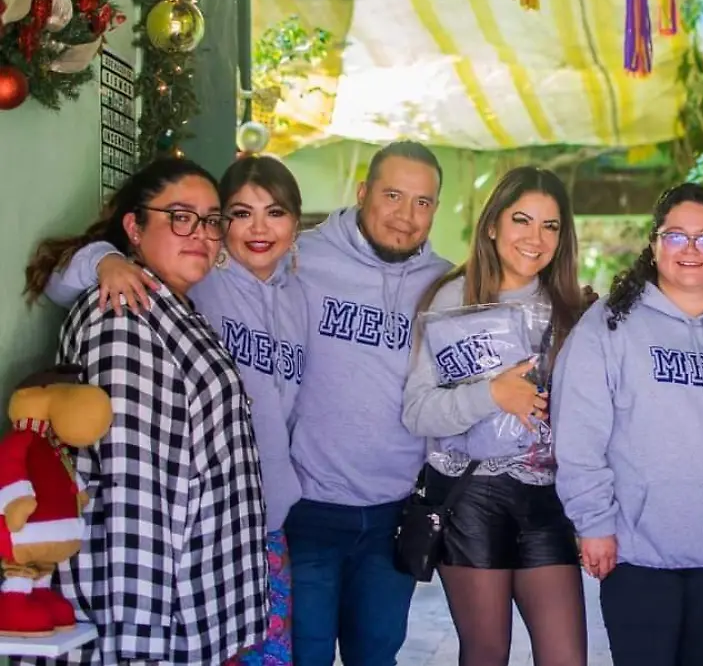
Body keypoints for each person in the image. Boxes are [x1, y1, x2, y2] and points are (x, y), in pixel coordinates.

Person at [39, 155, 309, 666]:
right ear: (134, 227)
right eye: (180, 216)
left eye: (210, 220)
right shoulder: (122, 314)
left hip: (199, 595)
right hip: (155, 621)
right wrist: (140, 644)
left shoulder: (169, 304)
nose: (202, 234)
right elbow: (131, 500)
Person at [553, 183, 703, 666]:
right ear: (655, 244)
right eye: (676, 236)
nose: (691, 250)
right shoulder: (609, 326)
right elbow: (578, 433)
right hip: (639, 552)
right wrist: (593, 522)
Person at [402, 166, 587, 665]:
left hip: (546, 501)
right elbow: (417, 412)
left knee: (566, 656)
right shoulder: (452, 299)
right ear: (492, 225)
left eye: (551, 226)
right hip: (470, 496)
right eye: (522, 220)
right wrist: (493, 395)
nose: (535, 238)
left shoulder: (572, 309)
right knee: (486, 654)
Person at [282, 141, 452, 666]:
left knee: (376, 657)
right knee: (300, 658)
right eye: (393, 196)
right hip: (306, 508)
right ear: (362, 193)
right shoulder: (300, 257)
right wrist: (103, 260)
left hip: (393, 515)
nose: (406, 217)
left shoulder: (445, 285)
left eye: (423, 202)